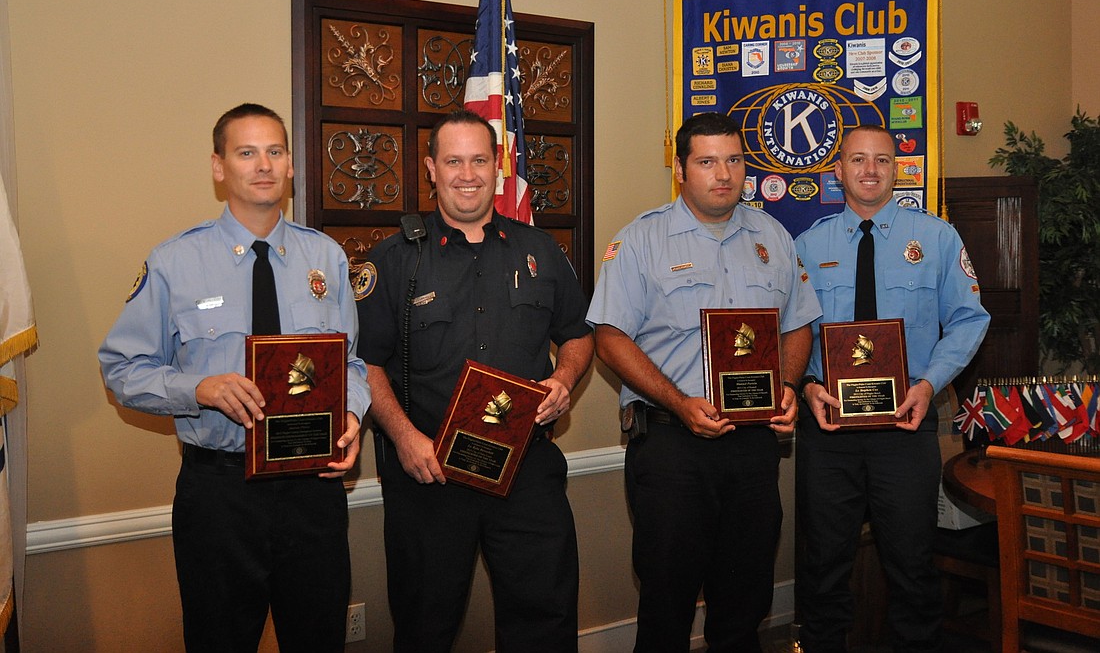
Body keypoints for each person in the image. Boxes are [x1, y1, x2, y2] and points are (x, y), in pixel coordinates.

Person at [98, 103, 370, 653]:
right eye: (246, 152)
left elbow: (353, 365)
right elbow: (121, 369)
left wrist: (351, 415)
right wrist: (197, 389)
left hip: (312, 493)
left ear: (291, 164)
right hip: (220, 495)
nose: (263, 164)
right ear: (219, 167)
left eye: (275, 151)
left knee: (319, 640)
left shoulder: (328, 258)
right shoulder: (175, 262)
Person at [355, 109, 594, 653]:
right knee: (425, 626)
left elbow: (580, 335)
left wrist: (564, 378)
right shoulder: (394, 261)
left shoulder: (540, 251)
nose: (468, 174)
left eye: (480, 160)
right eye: (454, 161)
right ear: (432, 170)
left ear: (500, 166)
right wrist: (403, 437)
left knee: (545, 620)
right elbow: (365, 363)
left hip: (525, 468)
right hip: (430, 472)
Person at [586, 112, 821, 653]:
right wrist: (679, 400)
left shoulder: (773, 235)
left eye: (734, 160)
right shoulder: (642, 239)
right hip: (673, 445)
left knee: (745, 603)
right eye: (707, 161)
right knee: (666, 602)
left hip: (754, 447)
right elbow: (610, 337)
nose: (724, 173)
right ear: (679, 169)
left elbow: (800, 323)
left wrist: (786, 388)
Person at [794, 124, 991, 653]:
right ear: (837, 171)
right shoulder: (807, 246)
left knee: (911, 565)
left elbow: (970, 319)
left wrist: (930, 384)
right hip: (829, 430)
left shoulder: (936, 238)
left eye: (882, 160)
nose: (870, 171)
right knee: (823, 566)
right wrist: (809, 385)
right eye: (857, 160)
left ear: (896, 168)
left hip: (905, 425)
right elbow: (790, 334)